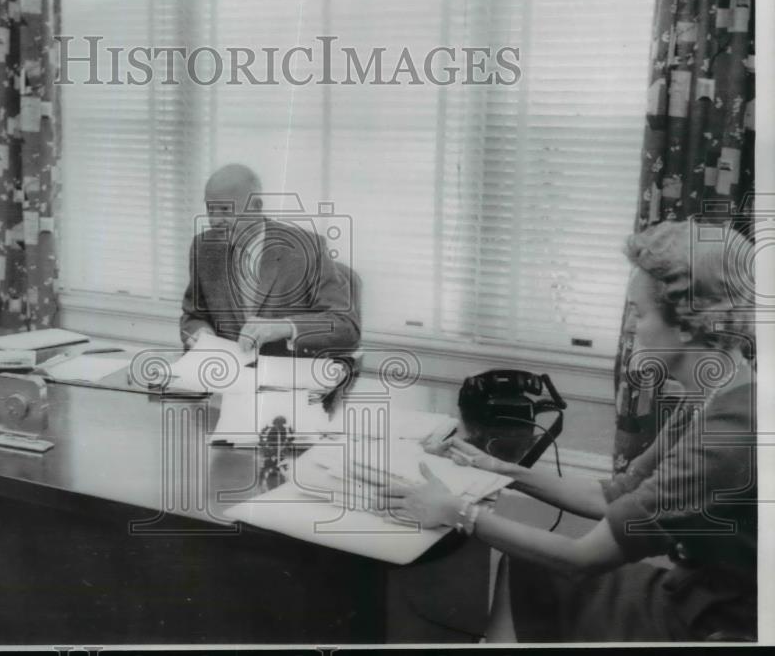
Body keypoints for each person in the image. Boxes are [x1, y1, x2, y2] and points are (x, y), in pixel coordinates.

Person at [387, 219, 756, 642]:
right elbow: (614, 495)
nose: (631, 328)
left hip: (714, 626)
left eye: (638, 312)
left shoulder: (729, 433)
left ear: (688, 325)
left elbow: (584, 557)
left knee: (538, 568)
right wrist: (499, 468)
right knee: (525, 566)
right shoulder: (713, 395)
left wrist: (458, 512)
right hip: (698, 596)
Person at [180, 164, 361, 357]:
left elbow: (346, 326)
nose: (214, 221)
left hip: (289, 378)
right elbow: (193, 316)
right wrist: (199, 333)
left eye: (225, 209)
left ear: (256, 206)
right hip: (227, 376)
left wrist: (285, 327)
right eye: (210, 210)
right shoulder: (203, 248)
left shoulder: (307, 248)